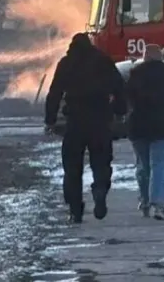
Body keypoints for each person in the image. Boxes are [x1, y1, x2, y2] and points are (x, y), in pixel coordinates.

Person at [45, 33, 126, 224]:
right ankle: (100, 189)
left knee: (72, 168)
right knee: (102, 161)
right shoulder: (103, 61)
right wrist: (119, 110)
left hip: (75, 121)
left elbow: (55, 92)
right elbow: (119, 87)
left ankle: (75, 209)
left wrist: (50, 119)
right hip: (100, 120)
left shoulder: (66, 63)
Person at [126, 44, 164, 221]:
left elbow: (125, 100)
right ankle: (159, 205)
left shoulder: (134, 77)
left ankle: (145, 200)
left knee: (143, 166)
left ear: (144, 57)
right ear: (161, 58)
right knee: (160, 165)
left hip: (139, 127)